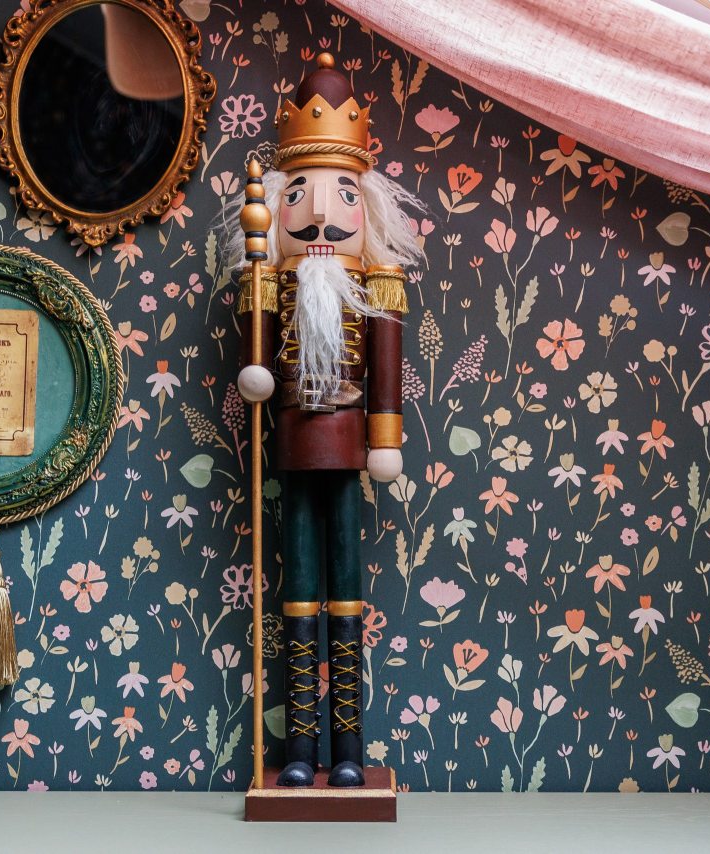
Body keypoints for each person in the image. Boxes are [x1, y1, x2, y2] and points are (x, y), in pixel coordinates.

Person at [224, 53, 424, 787]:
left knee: (347, 585)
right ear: (279, 205)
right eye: (302, 197)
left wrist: (385, 438)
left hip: (347, 439)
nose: (319, 217)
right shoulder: (267, 277)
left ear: (365, 208)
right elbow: (256, 357)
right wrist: (255, 372)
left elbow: (385, 371)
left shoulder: (379, 281)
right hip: (292, 437)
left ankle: (349, 750)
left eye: (341, 196)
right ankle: (301, 752)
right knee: (297, 583)